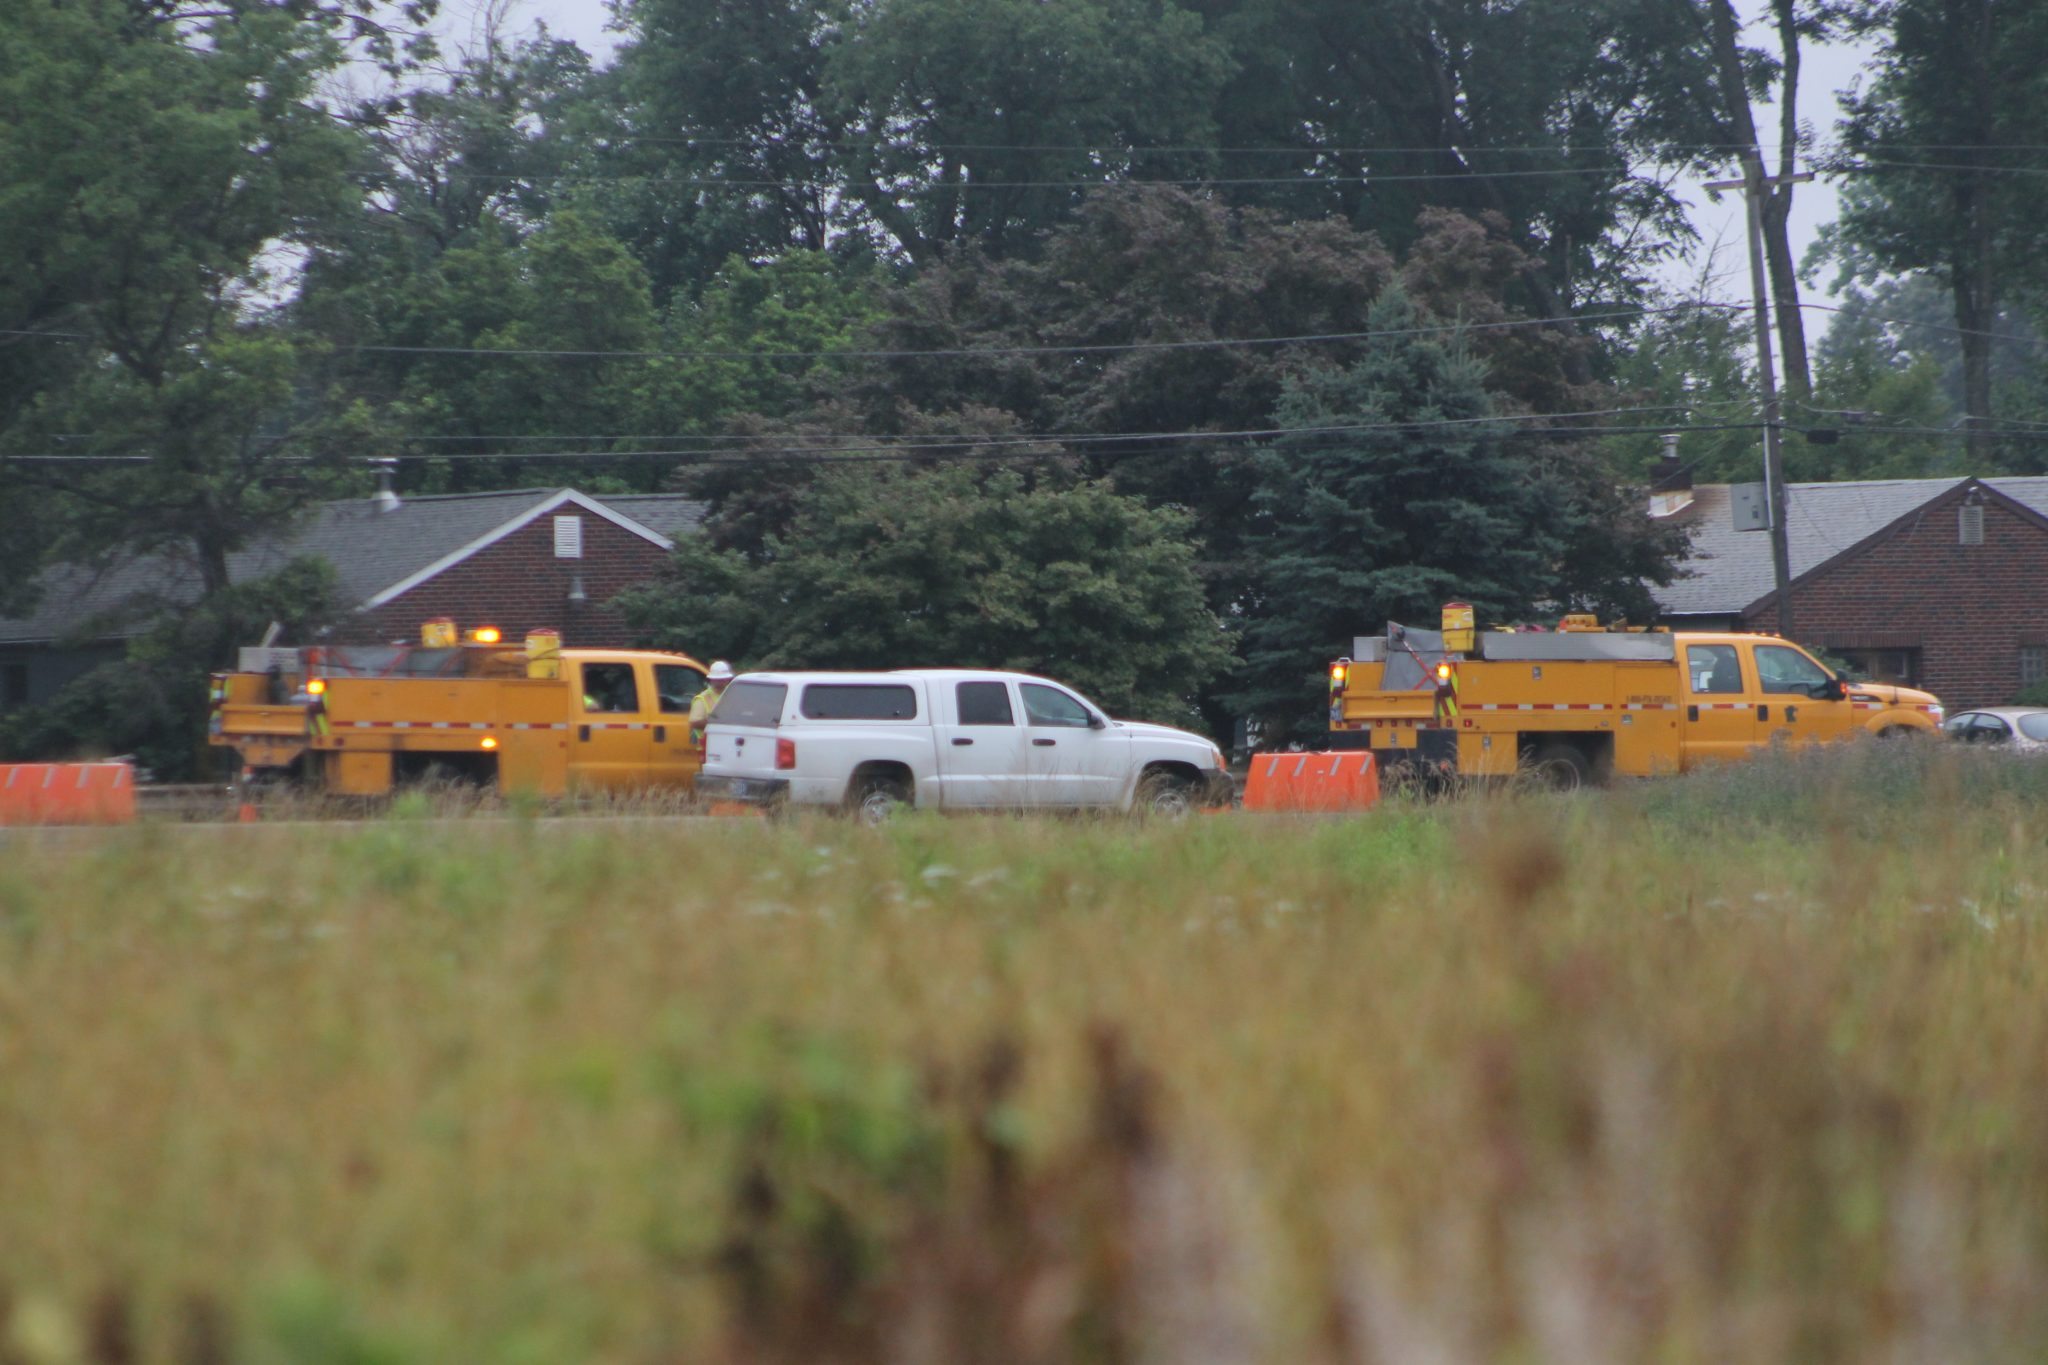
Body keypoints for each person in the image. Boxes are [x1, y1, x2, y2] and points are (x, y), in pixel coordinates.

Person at [690, 660, 735, 752]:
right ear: (711, 679)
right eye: (717, 679)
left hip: (727, 745)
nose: (720, 682)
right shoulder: (702, 698)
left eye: (722, 679)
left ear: (728, 679)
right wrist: (716, 722)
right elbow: (694, 722)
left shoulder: (732, 695)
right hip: (708, 747)